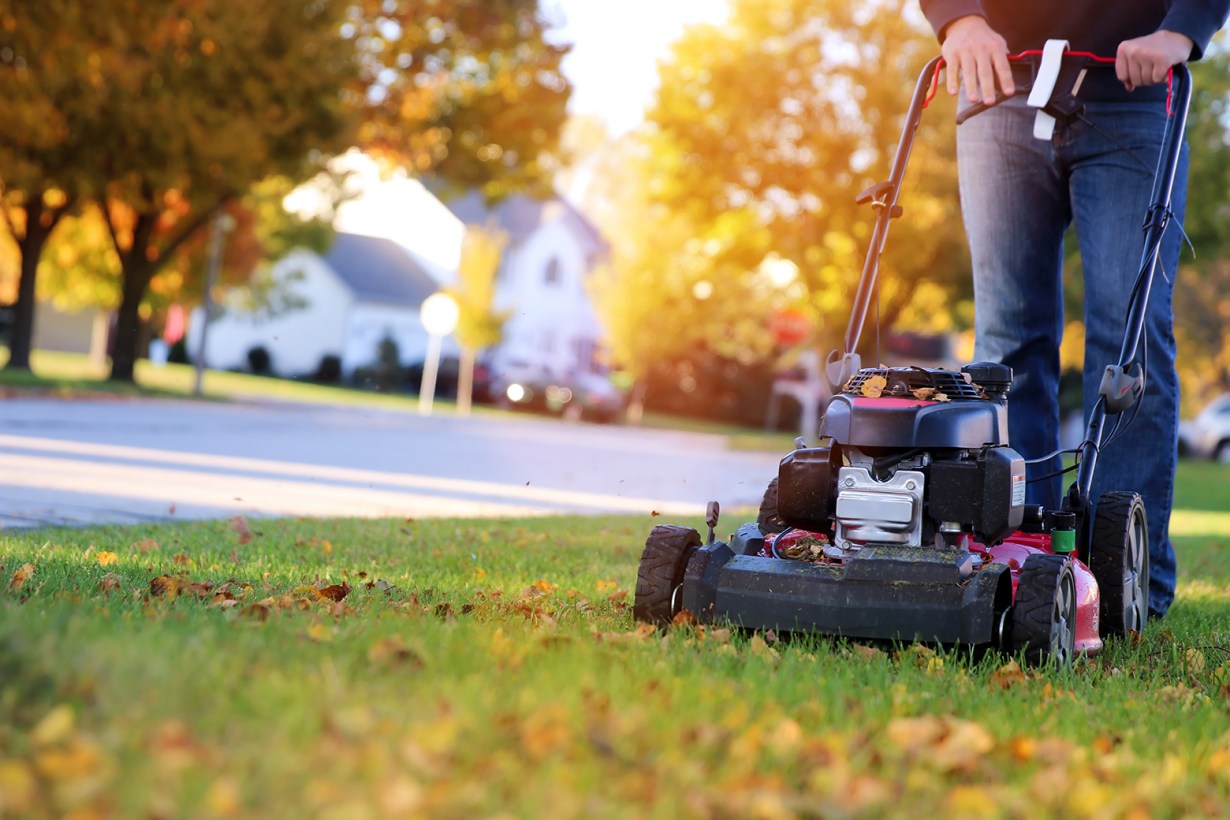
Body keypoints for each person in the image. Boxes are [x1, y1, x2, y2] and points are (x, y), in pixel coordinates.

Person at [919, 1, 1230, 620]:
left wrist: (1180, 31)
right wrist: (959, 19)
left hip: (1135, 94)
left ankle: (1121, 583)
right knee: (1006, 344)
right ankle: (1017, 558)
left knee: (1129, 342)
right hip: (998, 86)